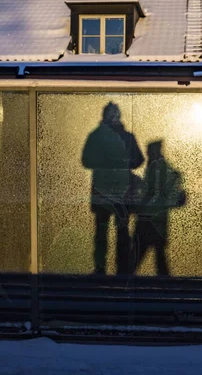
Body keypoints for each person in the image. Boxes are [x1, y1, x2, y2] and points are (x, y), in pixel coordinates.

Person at [82, 102, 144, 275]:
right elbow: (139, 160)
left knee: (102, 231)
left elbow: (86, 161)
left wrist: (104, 164)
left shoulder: (95, 136)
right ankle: (121, 269)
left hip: (101, 191)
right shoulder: (127, 137)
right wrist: (123, 165)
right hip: (121, 192)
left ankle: (100, 268)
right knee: (121, 230)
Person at [133, 141, 186, 276]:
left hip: (149, 216)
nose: (147, 154)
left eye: (149, 151)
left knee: (141, 250)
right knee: (158, 252)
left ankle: (126, 279)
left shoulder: (157, 167)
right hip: (158, 217)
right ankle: (165, 282)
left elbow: (151, 191)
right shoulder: (158, 166)